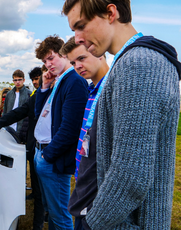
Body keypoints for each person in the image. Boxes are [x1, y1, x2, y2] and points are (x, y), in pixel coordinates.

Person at [63, 0, 181, 229]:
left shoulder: (139, 64)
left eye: (81, 25)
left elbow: (131, 176)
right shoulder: (131, 62)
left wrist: (94, 223)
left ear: (110, 13)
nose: (77, 38)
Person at [33, 35, 88, 230]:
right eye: (44, 61)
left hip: (54, 159)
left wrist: (47, 156)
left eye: (51, 58)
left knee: (60, 217)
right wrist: (45, 87)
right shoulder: (58, 81)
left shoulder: (74, 82)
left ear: (64, 54)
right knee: (53, 213)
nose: (48, 65)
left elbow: (70, 129)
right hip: (45, 154)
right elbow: (39, 114)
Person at [0, 68, 48, 230]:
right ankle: (38, 223)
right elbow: (18, 112)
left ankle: (43, 219)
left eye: (38, 78)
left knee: (46, 189)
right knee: (37, 186)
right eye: (33, 79)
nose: (36, 82)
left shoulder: (52, 95)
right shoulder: (35, 96)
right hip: (33, 146)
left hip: (49, 151)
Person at [60, 36, 109, 230]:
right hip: (85, 181)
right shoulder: (92, 90)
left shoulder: (109, 90)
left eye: (81, 58)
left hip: (98, 191)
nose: (77, 66)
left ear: (99, 53)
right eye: (73, 63)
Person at [3, 69, 31, 141]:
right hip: (8, 130)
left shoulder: (29, 94)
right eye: (15, 80)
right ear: (13, 81)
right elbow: (5, 111)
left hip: (22, 130)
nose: (17, 82)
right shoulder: (9, 94)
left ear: (24, 80)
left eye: (19, 79)